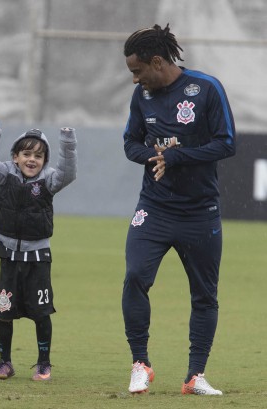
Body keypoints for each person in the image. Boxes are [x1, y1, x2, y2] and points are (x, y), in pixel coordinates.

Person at [122, 24, 236, 396]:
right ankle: (141, 363)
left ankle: (195, 376)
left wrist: (177, 157)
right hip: (154, 208)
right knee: (136, 276)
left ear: (157, 61)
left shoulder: (205, 88)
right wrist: (153, 156)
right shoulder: (142, 97)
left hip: (200, 212)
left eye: (138, 71)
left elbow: (226, 143)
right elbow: (130, 142)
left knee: (205, 295)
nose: (135, 79)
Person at [0, 122, 77, 381]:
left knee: (42, 312)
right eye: (26, 154)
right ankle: (4, 363)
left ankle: (43, 364)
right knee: (4, 310)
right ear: (15, 156)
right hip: (8, 256)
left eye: (38, 155)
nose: (31, 160)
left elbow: (68, 173)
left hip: (38, 258)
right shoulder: (3, 176)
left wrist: (67, 142)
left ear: (44, 160)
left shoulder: (49, 180)